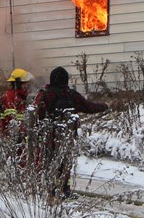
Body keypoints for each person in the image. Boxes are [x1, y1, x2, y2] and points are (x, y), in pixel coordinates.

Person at [33, 66, 108, 197]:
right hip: (67, 136)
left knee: (49, 161)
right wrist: (105, 106)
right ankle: (64, 190)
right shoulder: (71, 94)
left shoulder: (45, 94)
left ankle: (51, 189)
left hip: (49, 136)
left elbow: (37, 113)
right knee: (65, 163)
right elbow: (89, 107)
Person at [0, 68, 34, 134]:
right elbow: (11, 121)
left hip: (21, 134)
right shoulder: (9, 96)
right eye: (24, 83)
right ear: (17, 83)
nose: (26, 86)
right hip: (11, 135)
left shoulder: (22, 97)